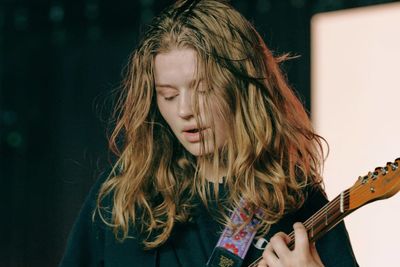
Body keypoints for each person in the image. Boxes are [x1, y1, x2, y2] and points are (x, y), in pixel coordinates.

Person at [60, 0, 358, 266]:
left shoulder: (295, 201)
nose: (185, 110)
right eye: (168, 95)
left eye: (203, 89)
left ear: (242, 89)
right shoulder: (123, 194)